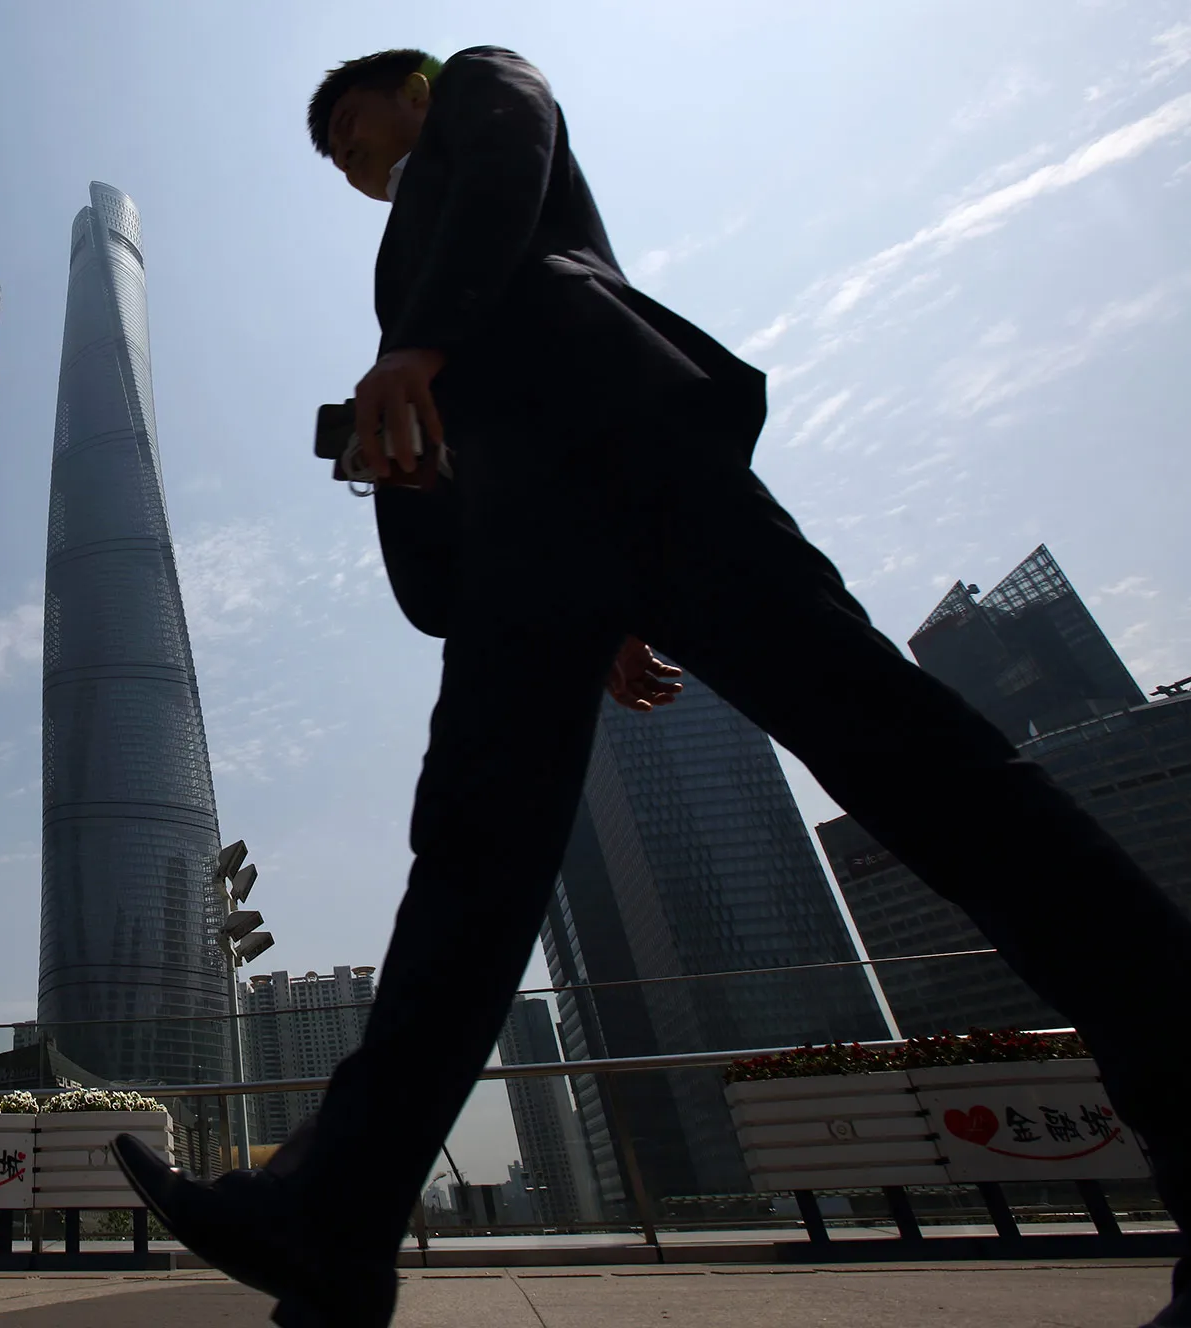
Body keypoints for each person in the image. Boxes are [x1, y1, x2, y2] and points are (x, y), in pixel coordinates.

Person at [114, 45, 1191, 1328]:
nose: (352, 161)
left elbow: (509, 168)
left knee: (922, 769)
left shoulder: (477, 94)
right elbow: (435, 564)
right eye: (340, 159)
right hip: (534, 545)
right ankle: (330, 1215)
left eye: (354, 129)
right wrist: (423, 480)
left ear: (412, 90)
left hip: (635, 455)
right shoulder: (416, 258)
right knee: (467, 857)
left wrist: (419, 345)